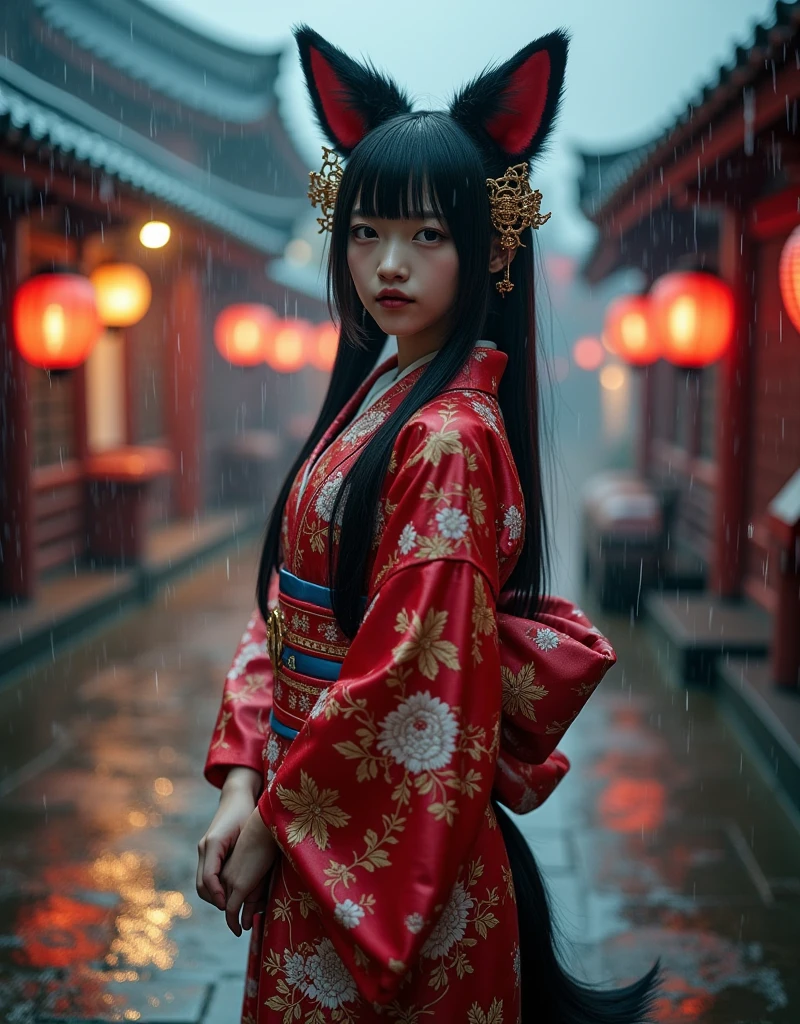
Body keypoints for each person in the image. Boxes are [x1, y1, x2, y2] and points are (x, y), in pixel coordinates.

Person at [196, 25, 661, 1024]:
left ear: (487, 247)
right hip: (318, 816)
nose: (386, 265)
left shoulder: (448, 436)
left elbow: (411, 681)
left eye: (426, 235)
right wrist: (243, 775)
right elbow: (287, 609)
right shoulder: (376, 400)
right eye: (364, 232)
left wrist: (277, 819)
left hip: (379, 852)